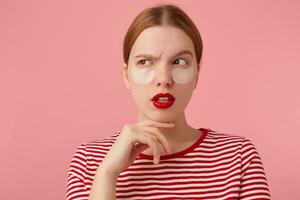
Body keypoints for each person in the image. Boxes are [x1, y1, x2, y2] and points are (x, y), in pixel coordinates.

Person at [66, 3, 271, 200]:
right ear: (126, 75)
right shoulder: (89, 161)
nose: (164, 78)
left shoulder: (239, 157)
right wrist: (108, 173)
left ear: (197, 75)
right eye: (145, 62)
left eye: (179, 62)